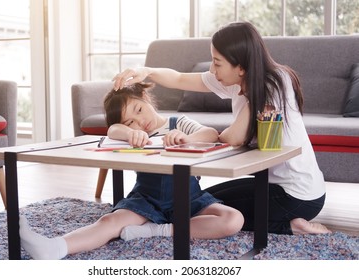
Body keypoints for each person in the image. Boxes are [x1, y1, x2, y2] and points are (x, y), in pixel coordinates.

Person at [113, 21, 331, 235]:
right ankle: (287, 224)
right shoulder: (237, 80)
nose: (212, 69)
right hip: (274, 184)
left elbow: (234, 138)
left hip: (297, 195)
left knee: (196, 211)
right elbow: (179, 79)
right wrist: (146, 71)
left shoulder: (273, 83)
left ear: (242, 67)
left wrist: (218, 134)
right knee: (192, 203)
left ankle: (290, 226)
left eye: (217, 63)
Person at [18, 82, 244, 260]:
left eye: (139, 110)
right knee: (109, 222)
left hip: (189, 198)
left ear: (145, 99)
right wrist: (128, 133)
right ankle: (56, 247)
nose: (140, 121)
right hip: (146, 200)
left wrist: (188, 138)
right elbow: (113, 129)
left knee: (233, 219)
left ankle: (157, 230)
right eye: (131, 121)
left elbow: (211, 134)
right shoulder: (128, 133)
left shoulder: (178, 122)